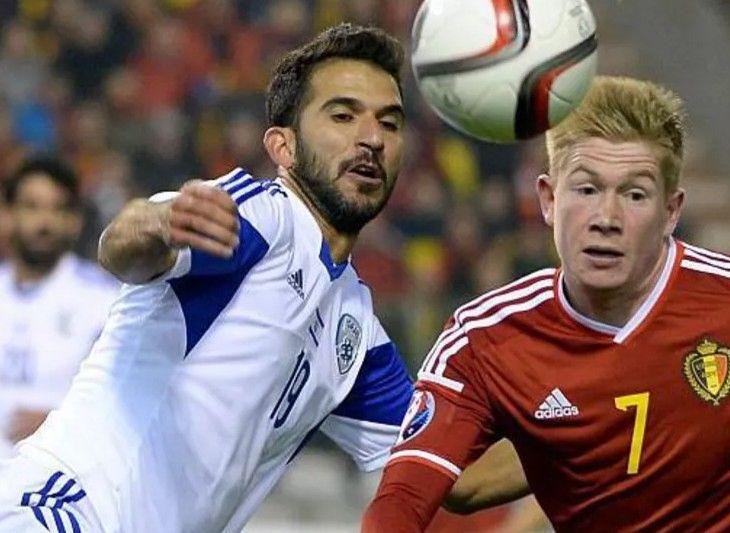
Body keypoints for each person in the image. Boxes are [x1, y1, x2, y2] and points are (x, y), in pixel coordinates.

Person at [363, 76, 730, 531]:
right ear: (546, 198)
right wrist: (566, 447)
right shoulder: (485, 340)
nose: (606, 219)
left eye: (635, 194)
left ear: (672, 210)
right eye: (586, 189)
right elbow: (409, 496)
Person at [0, 23, 501, 533]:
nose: (371, 138)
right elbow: (122, 246)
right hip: (63, 508)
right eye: (344, 115)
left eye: (390, 124)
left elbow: (457, 478)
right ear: (282, 147)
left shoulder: (355, 328)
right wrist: (161, 223)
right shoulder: (265, 220)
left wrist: (582, 418)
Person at [0, 157, 118, 458]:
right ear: (7, 215)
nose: (44, 223)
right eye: (32, 207)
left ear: (75, 221)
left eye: (58, 209)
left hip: (56, 479)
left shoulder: (105, 301)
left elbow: (125, 401)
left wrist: (58, 423)